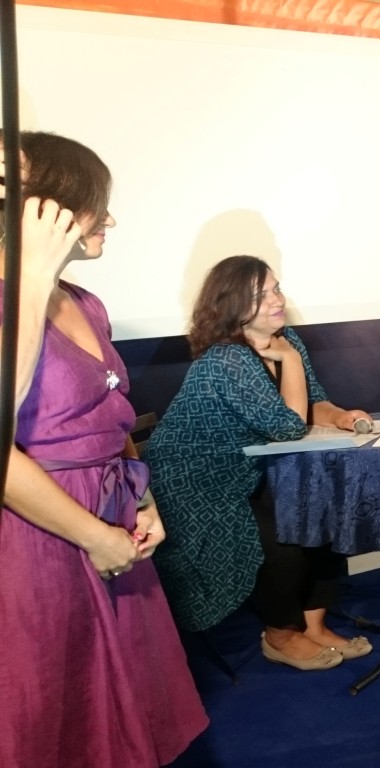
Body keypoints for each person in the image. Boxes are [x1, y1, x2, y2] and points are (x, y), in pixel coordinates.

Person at [0, 132, 207, 766]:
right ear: (46, 210)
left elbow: (110, 419)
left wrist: (142, 499)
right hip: (39, 540)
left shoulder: (86, 304)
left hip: (113, 518)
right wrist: (94, 536)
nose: (109, 219)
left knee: (126, 702)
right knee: (54, 707)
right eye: (96, 203)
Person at [146, 255, 373, 670]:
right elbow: (288, 426)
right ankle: (279, 635)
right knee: (280, 539)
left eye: (276, 288)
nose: (277, 300)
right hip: (193, 484)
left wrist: (341, 416)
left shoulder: (287, 340)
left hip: (243, 475)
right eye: (261, 294)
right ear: (233, 305)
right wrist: (289, 360)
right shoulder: (226, 360)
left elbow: (311, 403)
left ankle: (314, 626)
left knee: (318, 512)